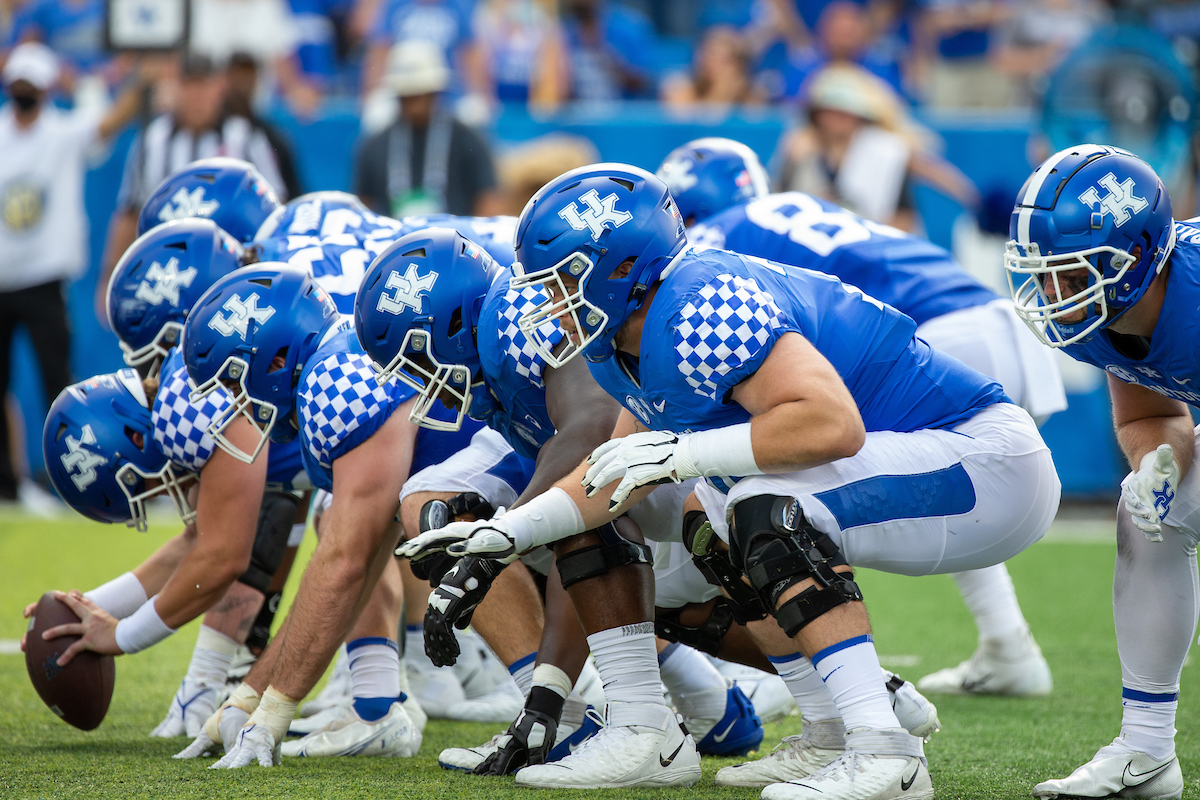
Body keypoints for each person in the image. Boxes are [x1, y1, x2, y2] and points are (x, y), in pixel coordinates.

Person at [400, 163, 1061, 800]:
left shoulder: (698, 301)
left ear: (621, 268)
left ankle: (882, 745)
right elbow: (607, 481)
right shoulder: (621, 338)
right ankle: (827, 732)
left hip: (984, 461)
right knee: (710, 513)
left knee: (755, 505)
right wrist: (506, 534)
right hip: (935, 458)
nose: (545, 302)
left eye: (559, 281)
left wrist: (680, 456)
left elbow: (832, 425)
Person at [663, 136, 1065, 697]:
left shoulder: (709, 247)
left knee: (797, 501)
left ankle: (819, 675)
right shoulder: (788, 209)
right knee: (935, 485)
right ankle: (1008, 645)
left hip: (931, 335)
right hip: (992, 322)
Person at [1004, 144, 1194, 800]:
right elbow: (1149, 414)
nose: (1053, 293)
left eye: (1071, 272)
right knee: (1149, 514)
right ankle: (1146, 752)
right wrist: (1157, 466)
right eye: (1047, 274)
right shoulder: (1101, 316)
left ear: (1139, 256)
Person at [0, 42, 152, 504]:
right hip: (3, 279)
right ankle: (10, 484)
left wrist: (143, 74)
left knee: (55, 383)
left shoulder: (62, 133)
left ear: (45, 89)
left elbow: (112, 118)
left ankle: (64, 479)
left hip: (45, 279)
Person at [101, 53, 289, 321]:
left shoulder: (245, 138)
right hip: (168, 276)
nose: (197, 95)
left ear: (219, 87)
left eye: (204, 85)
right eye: (190, 85)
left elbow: (276, 211)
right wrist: (110, 277)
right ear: (176, 88)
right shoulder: (151, 141)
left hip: (235, 274)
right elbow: (129, 212)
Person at [771, 64, 977, 232]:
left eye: (843, 112)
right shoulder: (798, 151)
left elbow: (904, 218)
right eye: (828, 112)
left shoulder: (886, 152)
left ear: (859, 116)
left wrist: (975, 202)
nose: (835, 119)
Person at [354, 40, 502, 219]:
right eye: (408, 94)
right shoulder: (374, 146)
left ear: (435, 92)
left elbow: (489, 203)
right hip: (395, 242)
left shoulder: (468, 139)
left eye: (421, 93)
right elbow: (361, 210)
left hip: (456, 240)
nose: (415, 104)